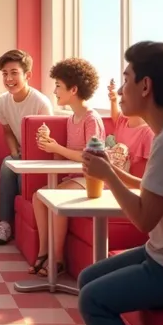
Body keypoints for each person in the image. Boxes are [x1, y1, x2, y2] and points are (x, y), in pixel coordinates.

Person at [73, 41, 163, 325]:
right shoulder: (161, 134)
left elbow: (145, 218)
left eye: (126, 78)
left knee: (93, 298)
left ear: (145, 85)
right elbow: (155, 194)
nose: (121, 87)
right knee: (90, 275)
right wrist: (113, 171)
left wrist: (109, 179)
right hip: (159, 253)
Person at [31, 58, 105, 276]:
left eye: (58, 86)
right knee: (38, 196)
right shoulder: (72, 118)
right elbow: (67, 156)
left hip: (91, 180)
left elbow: (92, 158)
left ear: (73, 89)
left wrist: (58, 147)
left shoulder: (92, 118)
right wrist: (50, 147)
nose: (54, 91)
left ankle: (58, 259)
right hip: (75, 177)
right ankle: (44, 253)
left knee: (56, 198)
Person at [0, 49, 53, 245]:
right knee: (8, 164)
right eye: (4, 74)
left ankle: (22, 227)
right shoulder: (2, 101)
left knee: (18, 172)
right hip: (20, 154)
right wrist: (14, 153)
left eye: (14, 73)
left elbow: (47, 141)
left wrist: (25, 159)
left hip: (40, 157)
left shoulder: (41, 103)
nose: (9, 78)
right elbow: (8, 131)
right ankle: (5, 224)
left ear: (27, 75)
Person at [106, 77, 153, 176]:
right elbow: (115, 115)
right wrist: (113, 100)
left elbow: (145, 178)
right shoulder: (122, 121)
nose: (120, 93)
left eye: (126, 98)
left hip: (128, 187)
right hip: (112, 179)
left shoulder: (148, 134)